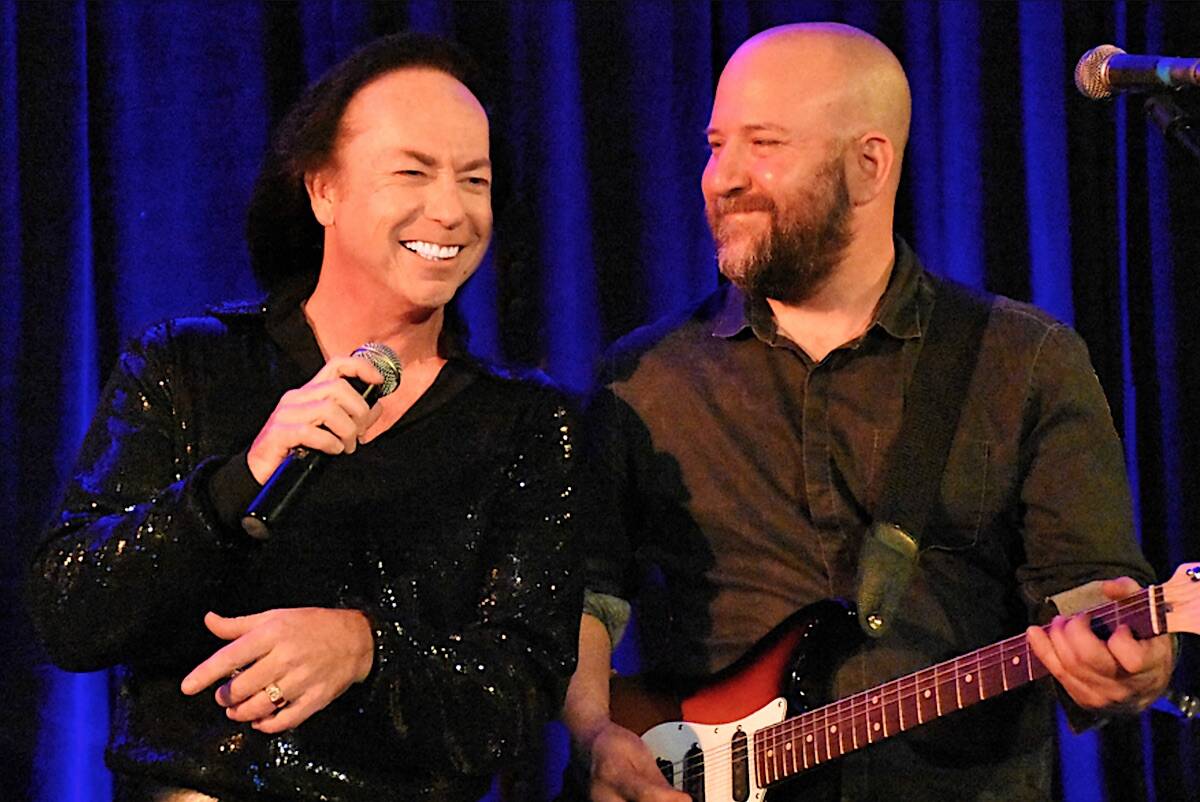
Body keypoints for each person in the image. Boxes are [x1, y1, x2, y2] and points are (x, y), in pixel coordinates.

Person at [562, 23, 1175, 802]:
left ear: (869, 164)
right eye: (718, 145)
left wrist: (1129, 661)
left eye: (765, 144)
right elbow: (585, 596)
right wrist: (594, 734)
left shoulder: (1023, 359)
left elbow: (1092, 594)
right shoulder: (642, 380)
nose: (723, 177)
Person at [29, 33, 581, 802]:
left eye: (475, 180)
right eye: (411, 173)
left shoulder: (524, 423)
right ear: (322, 189)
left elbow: (521, 696)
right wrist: (237, 484)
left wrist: (364, 649)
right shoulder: (188, 364)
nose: (450, 210)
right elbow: (68, 610)